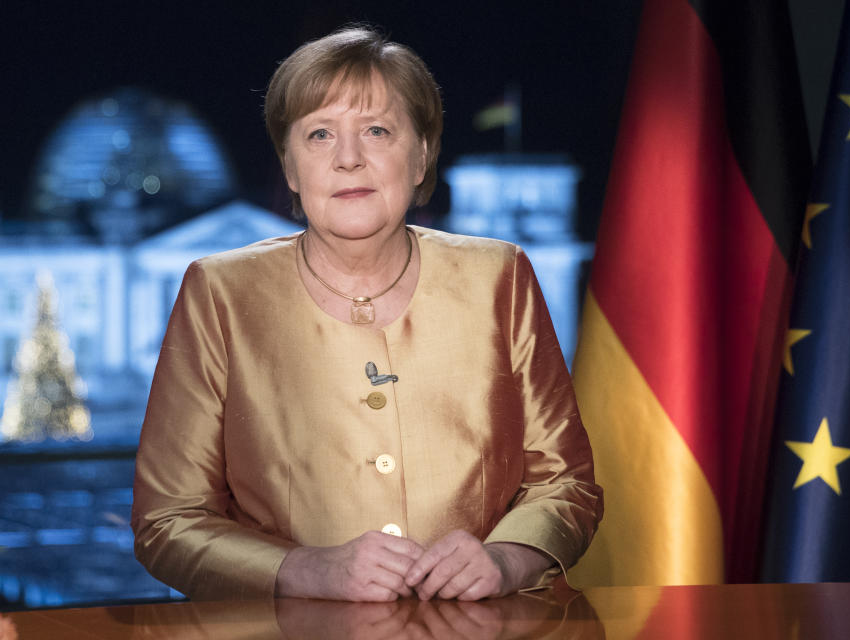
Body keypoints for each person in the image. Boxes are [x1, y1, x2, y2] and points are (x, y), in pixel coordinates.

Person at [131, 26, 602, 602]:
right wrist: (304, 571)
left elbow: (567, 485)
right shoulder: (219, 291)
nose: (348, 159)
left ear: (422, 153)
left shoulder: (499, 276)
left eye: (377, 130)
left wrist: (508, 560)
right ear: (290, 168)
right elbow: (167, 521)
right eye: (320, 135)